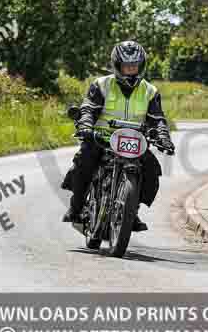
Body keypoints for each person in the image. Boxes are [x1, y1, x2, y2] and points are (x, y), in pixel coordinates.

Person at [61, 41, 174, 232]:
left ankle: (131, 211)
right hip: (102, 139)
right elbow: (88, 108)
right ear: (117, 65)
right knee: (84, 161)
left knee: (151, 169)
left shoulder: (150, 91)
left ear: (141, 65)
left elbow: (158, 119)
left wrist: (163, 137)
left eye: (134, 66)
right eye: (126, 66)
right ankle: (76, 207)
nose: (131, 70)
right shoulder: (102, 84)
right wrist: (86, 125)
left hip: (134, 141)